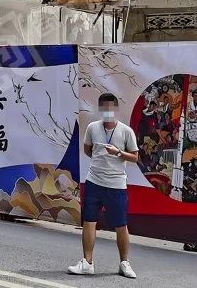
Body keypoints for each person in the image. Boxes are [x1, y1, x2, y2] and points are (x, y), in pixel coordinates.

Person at [69, 92, 139, 279]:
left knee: (120, 225)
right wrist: (100, 161)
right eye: (104, 108)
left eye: (110, 108)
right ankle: (87, 262)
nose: (107, 112)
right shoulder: (92, 127)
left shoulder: (126, 131)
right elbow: (88, 149)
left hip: (116, 185)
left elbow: (135, 157)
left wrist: (118, 153)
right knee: (89, 221)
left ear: (116, 109)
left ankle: (124, 263)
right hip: (94, 182)